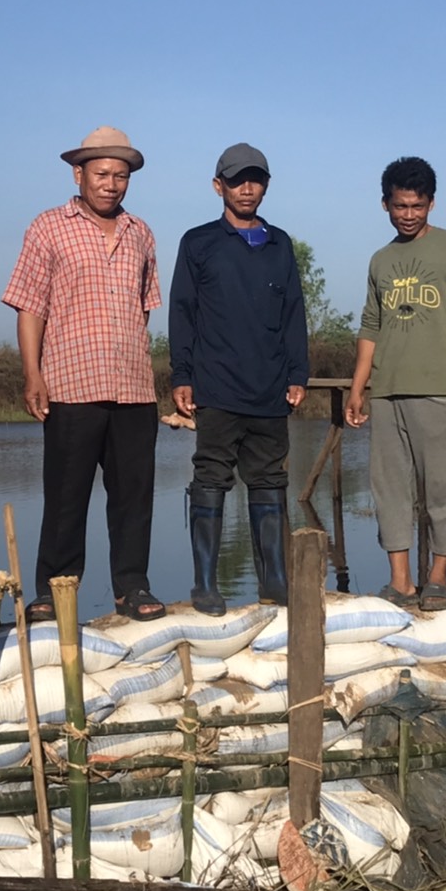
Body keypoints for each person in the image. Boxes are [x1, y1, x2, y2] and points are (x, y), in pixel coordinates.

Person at [3, 126, 165, 623]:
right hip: (70, 385)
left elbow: (144, 308)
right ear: (79, 174)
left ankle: (132, 588)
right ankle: (55, 590)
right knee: (65, 497)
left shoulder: (141, 233)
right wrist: (33, 374)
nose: (111, 184)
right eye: (101, 174)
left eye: (120, 176)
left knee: (133, 498)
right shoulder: (48, 227)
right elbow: (30, 307)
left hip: (133, 388)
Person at [168, 142, 308, 614]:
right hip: (216, 386)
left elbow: (293, 313)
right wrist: (182, 374)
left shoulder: (279, 243)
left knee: (269, 480)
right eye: (236, 180)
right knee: (210, 477)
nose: (246, 188)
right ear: (218, 186)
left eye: (255, 180)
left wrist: (298, 372)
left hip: (270, 387)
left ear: (266, 186)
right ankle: (205, 584)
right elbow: (182, 312)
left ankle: (275, 582)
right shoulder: (198, 242)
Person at [345, 156, 446, 612]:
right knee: (389, 488)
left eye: (417, 206)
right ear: (385, 204)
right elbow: (371, 325)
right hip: (387, 389)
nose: (408, 215)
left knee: (439, 488)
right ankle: (401, 581)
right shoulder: (381, 259)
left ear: (431, 204)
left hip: (440, 388)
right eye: (400, 206)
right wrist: (358, 387)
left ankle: (438, 578)